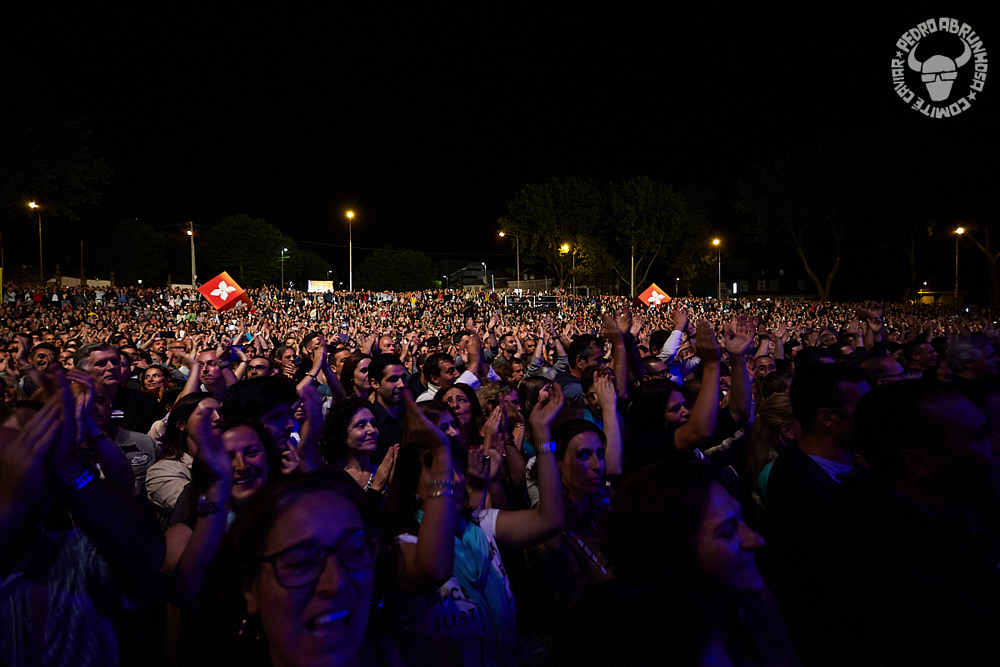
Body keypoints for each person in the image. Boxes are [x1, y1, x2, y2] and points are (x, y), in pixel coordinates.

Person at [797, 381, 1000, 665]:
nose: (995, 444)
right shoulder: (870, 555)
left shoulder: (966, 508)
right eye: (980, 436)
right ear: (918, 462)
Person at [380, 384, 566, 666]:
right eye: (440, 470)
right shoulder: (402, 547)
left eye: (456, 467)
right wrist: (442, 454)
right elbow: (433, 569)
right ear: (412, 484)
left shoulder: (479, 524)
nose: (454, 479)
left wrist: (541, 433)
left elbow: (550, 519)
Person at [556, 459, 798, 666]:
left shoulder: (748, 603)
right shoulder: (622, 638)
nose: (756, 539)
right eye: (727, 531)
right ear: (673, 549)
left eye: (742, 521)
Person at [0, 367, 165, 666]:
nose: (26, 462)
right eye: (19, 445)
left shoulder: (70, 550)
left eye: (39, 448)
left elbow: (144, 559)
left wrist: (69, 472)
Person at [761, 363, 869, 637]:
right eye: (864, 408)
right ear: (827, 418)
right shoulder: (804, 488)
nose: (875, 415)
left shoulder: (822, 465)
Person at [522, 419, 614, 643]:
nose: (597, 465)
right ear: (557, 462)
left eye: (600, 454)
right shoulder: (545, 532)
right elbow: (569, 611)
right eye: (584, 455)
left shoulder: (608, 505)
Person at [145, 392, 221, 522]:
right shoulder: (163, 472)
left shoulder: (231, 460)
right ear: (182, 425)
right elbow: (198, 510)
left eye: (220, 412)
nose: (218, 418)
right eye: (207, 413)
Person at [320, 397, 398, 501]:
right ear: (342, 434)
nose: (372, 430)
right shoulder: (332, 477)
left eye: (373, 424)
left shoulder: (384, 467)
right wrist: (376, 486)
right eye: (361, 426)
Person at [368, 353, 408, 465]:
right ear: (375, 384)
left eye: (403, 378)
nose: (401, 384)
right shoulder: (371, 423)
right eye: (393, 379)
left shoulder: (410, 414)